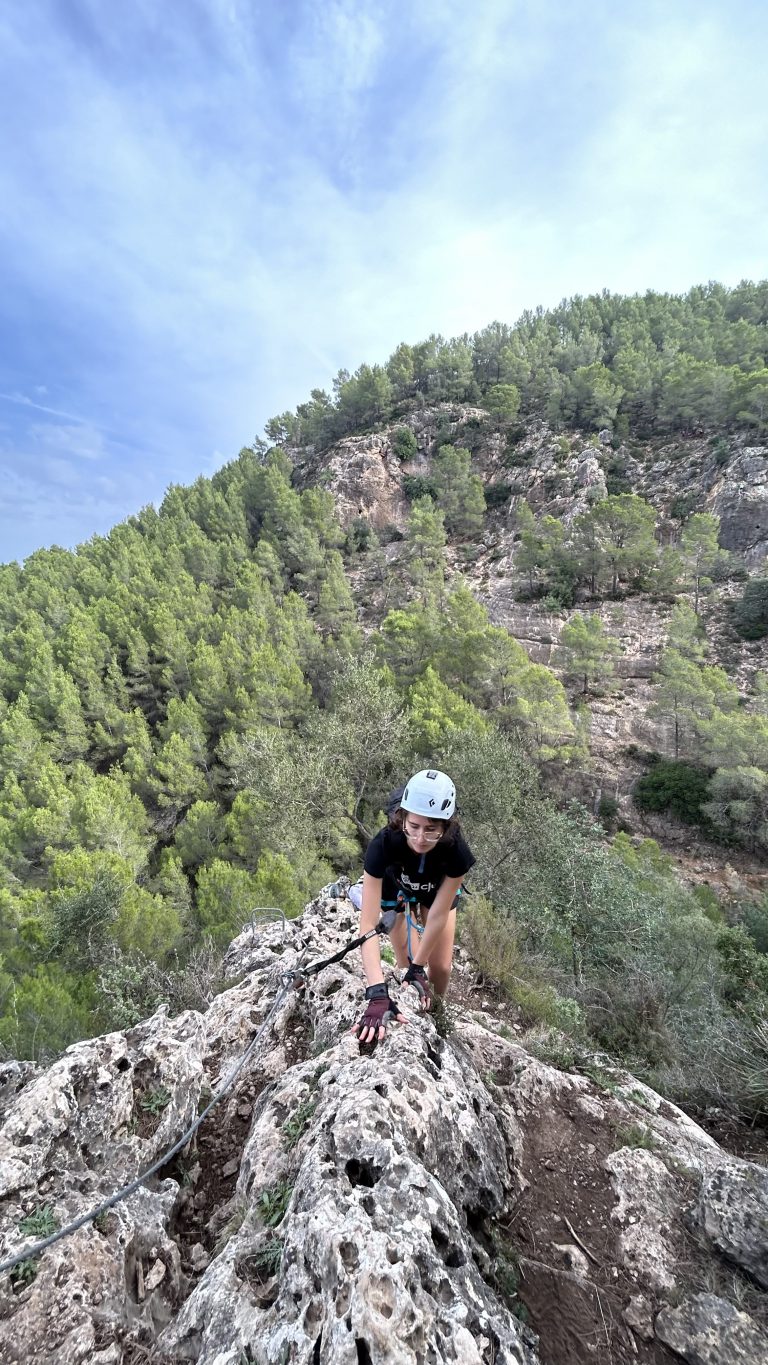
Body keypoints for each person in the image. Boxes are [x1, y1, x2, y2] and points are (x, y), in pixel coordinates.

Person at [352, 769, 475, 1044]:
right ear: (403, 818)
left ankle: (436, 1007)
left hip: (435, 887)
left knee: (441, 968)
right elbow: (367, 925)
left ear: (445, 827)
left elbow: (439, 915)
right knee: (404, 959)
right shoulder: (383, 844)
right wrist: (376, 992)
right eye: (414, 826)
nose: (420, 838)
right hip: (395, 885)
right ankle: (412, 990)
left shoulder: (456, 852)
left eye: (431, 830)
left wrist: (420, 968)